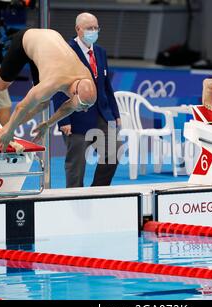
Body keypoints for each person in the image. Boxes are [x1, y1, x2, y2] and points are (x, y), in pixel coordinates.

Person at [0, 28, 97, 152]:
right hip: (27, 40)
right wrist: (10, 130)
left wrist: (47, 124)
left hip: (47, 46)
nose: (85, 110)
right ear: (74, 92)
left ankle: (6, 132)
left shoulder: (86, 80)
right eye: (84, 106)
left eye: (88, 106)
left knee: (42, 104)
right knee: (1, 84)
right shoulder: (52, 84)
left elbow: (70, 106)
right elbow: (21, 106)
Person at [52, 12, 121, 188]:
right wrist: (63, 119)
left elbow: (106, 86)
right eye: (89, 28)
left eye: (96, 28)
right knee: (77, 166)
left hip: (101, 114)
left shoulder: (100, 52)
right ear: (78, 29)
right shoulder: (65, 52)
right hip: (76, 117)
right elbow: (58, 88)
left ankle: (97, 191)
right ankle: (74, 198)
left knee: (113, 151)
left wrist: (115, 114)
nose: (94, 31)